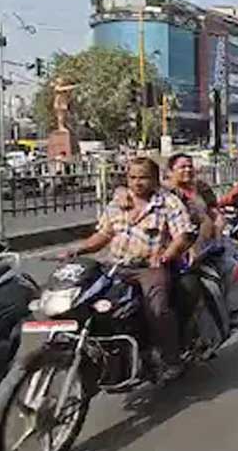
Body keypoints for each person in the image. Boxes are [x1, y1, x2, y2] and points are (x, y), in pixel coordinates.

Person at [62, 157, 195, 383]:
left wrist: (166, 255)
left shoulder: (168, 202)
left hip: (149, 268)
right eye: (132, 177)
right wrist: (78, 249)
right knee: (85, 300)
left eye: (143, 177)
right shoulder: (118, 202)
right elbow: (103, 235)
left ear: (155, 179)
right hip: (115, 267)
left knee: (157, 309)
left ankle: (170, 358)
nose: (137, 182)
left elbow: (182, 236)